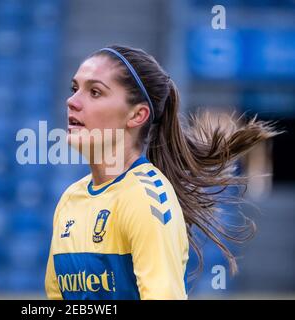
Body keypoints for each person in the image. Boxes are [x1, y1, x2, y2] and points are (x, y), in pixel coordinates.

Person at [45, 45, 279, 300]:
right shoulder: (70, 199)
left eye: (95, 92)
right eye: (74, 89)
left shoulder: (146, 199)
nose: (72, 101)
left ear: (137, 115)